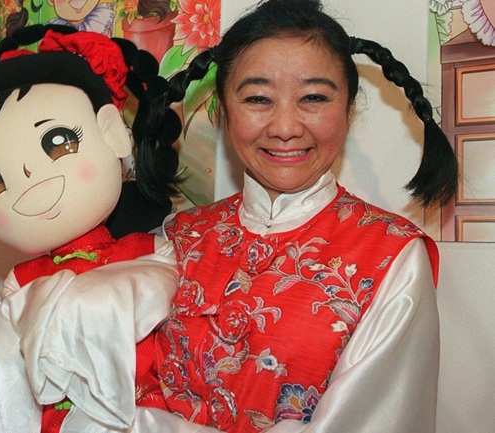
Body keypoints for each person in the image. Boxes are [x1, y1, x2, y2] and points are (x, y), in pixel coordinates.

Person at [135, 0, 459, 432]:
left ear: (349, 109)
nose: (285, 127)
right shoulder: (178, 236)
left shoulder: (391, 256)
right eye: (258, 98)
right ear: (224, 111)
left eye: (314, 98)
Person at [0, 24, 215, 433]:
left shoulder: (156, 252)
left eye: (58, 141)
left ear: (113, 135)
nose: (29, 175)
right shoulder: (19, 288)